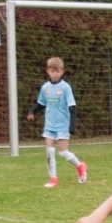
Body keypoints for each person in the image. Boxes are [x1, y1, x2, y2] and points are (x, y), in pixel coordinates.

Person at [22, 57, 87, 188]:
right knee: (49, 152)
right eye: (52, 71)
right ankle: (53, 179)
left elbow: (72, 107)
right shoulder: (45, 87)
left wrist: (72, 125)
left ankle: (80, 166)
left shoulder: (65, 88)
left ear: (62, 71)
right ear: (48, 71)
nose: (55, 73)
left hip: (62, 125)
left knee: (63, 153)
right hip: (49, 125)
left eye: (57, 71)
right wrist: (32, 111)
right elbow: (41, 103)